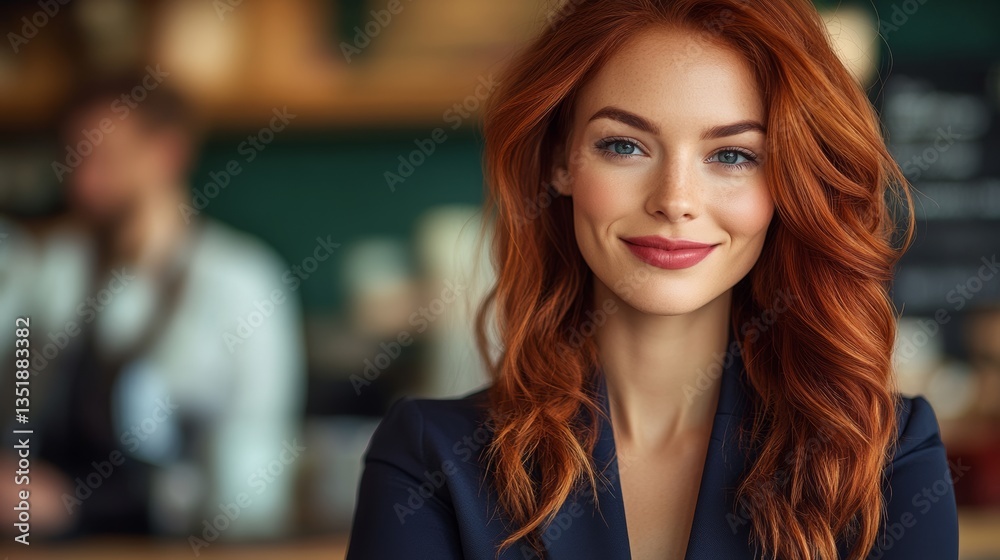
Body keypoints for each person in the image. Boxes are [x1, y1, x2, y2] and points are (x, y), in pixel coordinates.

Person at [345, 0, 959, 558]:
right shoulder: (429, 461)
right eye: (624, 146)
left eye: (733, 155)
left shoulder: (888, 459)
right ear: (561, 161)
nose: (675, 201)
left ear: (789, 184)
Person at [0, 75, 306, 541]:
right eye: (74, 159)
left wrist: (77, 504)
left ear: (167, 154)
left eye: (106, 159)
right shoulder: (46, 274)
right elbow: (18, 408)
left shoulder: (242, 285)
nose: (84, 182)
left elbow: (252, 468)